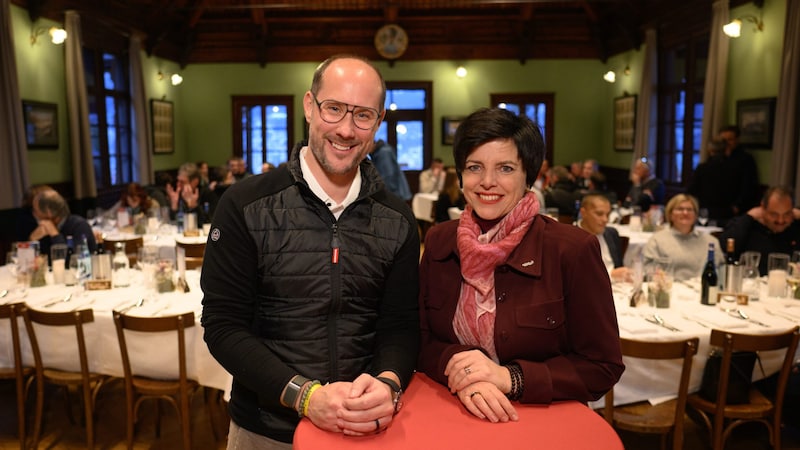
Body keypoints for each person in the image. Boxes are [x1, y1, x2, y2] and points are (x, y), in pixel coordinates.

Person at [201, 55, 420, 447]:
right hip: (265, 429)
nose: (347, 130)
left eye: (363, 115)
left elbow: (400, 327)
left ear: (379, 122)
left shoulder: (398, 219)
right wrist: (305, 396)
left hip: (365, 430)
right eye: (334, 109)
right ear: (309, 106)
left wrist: (388, 384)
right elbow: (223, 326)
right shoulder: (243, 205)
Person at [418, 107, 623, 423]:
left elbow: (601, 366)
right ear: (459, 175)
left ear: (529, 174)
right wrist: (460, 365)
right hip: (452, 409)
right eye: (474, 167)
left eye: (505, 168)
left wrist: (509, 378)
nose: (487, 182)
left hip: (540, 416)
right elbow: (419, 339)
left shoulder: (572, 249)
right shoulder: (439, 241)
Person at [688, 126, 760, 227]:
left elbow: (749, 187)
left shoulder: (745, 160)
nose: (726, 143)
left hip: (730, 211)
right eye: (723, 140)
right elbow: (694, 188)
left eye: (729, 140)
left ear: (737, 140)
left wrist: (737, 207)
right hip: (707, 210)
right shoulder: (707, 165)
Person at [719, 186, 800, 276]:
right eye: (774, 214)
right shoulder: (747, 225)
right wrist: (747, 218)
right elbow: (724, 246)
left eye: (786, 214)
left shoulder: (796, 227)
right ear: (763, 208)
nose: (780, 220)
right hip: (751, 286)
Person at [641, 194, 723, 281]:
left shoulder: (711, 242)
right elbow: (647, 270)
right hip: (670, 290)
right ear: (670, 214)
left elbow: (721, 270)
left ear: (695, 215)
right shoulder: (657, 240)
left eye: (690, 209)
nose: (685, 213)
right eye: (680, 209)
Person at [28, 189, 97, 259]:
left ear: (49, 212)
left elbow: (73, 259)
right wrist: (32, 240)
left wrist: (55, 234)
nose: (34, 214)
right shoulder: (43, 228)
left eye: (35, 210)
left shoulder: (79, 225)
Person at [578, 194, 630, 282]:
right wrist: (611, 275)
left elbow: (619, 266)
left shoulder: (611, 233)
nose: (605, 219)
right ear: (584, 213)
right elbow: (576, 279)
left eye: (608, 214)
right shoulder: (570, 239)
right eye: (599, 214)